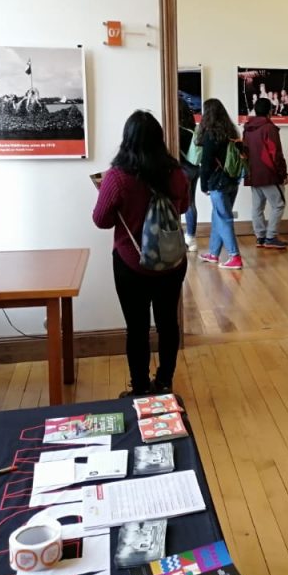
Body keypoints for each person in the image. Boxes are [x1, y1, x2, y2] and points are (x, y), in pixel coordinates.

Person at [92, 110, 190, 396]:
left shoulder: (117, 177)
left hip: (130, 264)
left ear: (127, 140)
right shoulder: (176, 173)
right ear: (159, 139)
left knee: (136, 328)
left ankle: (139, 388)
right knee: (168, 324)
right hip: (172, 262)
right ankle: (164, 383)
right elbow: (182, 208)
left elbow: (101, 220)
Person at [197, 98, 244, 269]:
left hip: (217, 183)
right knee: (218, 216)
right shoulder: (232, 132)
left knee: (223, 217)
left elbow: (206, 163)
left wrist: (203, 185)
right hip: (233, 180)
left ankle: (235, 256)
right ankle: (213, 253)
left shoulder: (211, 134)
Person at [242, 97, 288, 249]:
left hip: (253, 173)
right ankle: (271, 237)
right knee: (279, 205)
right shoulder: (269, 128)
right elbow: (276, 154)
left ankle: (261, 237)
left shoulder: (247, 128)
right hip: (269, 174)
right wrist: (283, 174)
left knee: (257, 206)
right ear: (270, 111)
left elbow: (245, 152)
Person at [177, 98, 200, 252]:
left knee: (180, 203)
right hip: (195, 168)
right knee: (191, 203)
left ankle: (183, 239)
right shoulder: (193, 127)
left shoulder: (177, 130)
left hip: (184, 169)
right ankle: (191, 237)